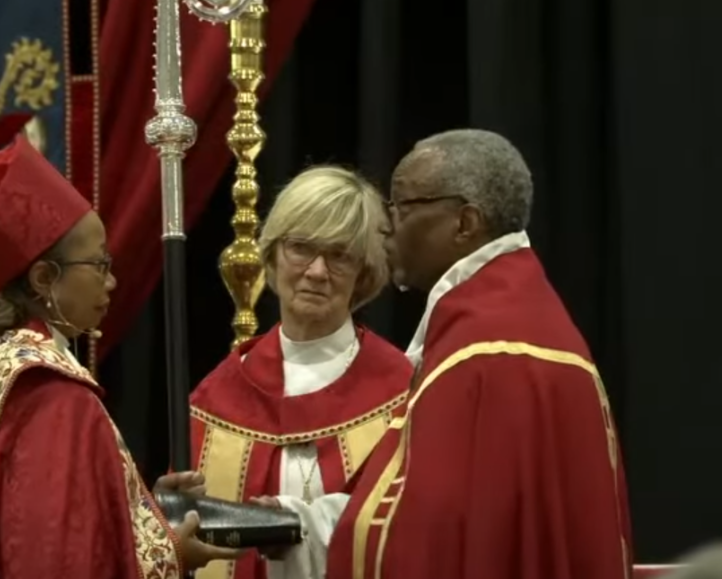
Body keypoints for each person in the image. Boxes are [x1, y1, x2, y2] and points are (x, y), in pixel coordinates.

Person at [269, 129, 633, 579]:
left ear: (464, 223)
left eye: (401, 205)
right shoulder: (524, 323)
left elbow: (424, 541)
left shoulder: (483, 356)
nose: (387, 224)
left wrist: (290, 526)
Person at [0, 136, 242, 579]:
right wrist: (171, 556)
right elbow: (57, 560)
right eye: (99, 264)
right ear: (45, 277)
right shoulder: (53, 397)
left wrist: (142, 509)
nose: (112, 281)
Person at [189, 166, 412, 579]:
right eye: (301, 248)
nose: (316, 271)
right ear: (272, 253)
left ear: (364, 272)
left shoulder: (402, 391)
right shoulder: (218, 395)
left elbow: (413, 531)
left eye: (340, 255)